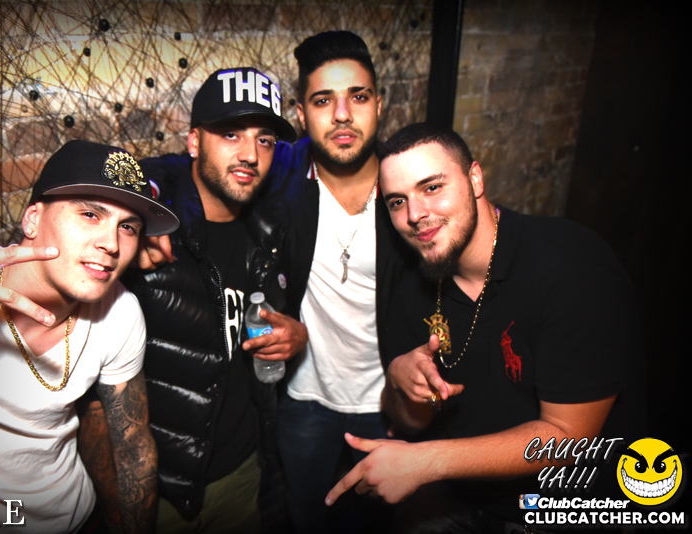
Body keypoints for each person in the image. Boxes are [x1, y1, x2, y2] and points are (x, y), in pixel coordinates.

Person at [325, 123, 646, 533]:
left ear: (475, 179)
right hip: (460, 492)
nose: (415, 215)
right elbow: (411, 421)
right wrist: (401, 380)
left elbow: (569, 438)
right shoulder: (413, 285)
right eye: (397, 201)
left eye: (432, 187)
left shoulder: (572, 270)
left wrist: (425, 462)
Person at [0, 140, 179, 532]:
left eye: (128, 227)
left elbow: (133, 447)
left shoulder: (120, 311)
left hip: (77, 519)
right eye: (90, 214)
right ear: (32, 220)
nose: (111, 244)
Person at [77, 67, 308, 534]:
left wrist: (298, 337)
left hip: (243, 475)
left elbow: (276, 318)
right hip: (157, 490)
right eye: (231, 134)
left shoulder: (272, 229)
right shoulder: (147, 227)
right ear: (195, 142)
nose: (250, 154)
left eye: (265, 140)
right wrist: (138, 209)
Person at [266, 31, 419, 534]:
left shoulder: (408, 187)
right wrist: (147, 203)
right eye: (323, 101)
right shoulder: (284, 174)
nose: (342, 115)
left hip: (387, 401)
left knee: (380, 522)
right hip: (304, 397)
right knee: (307, 514)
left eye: (358, 96)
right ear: (301, 114)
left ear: (379, 104)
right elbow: (194, 168)